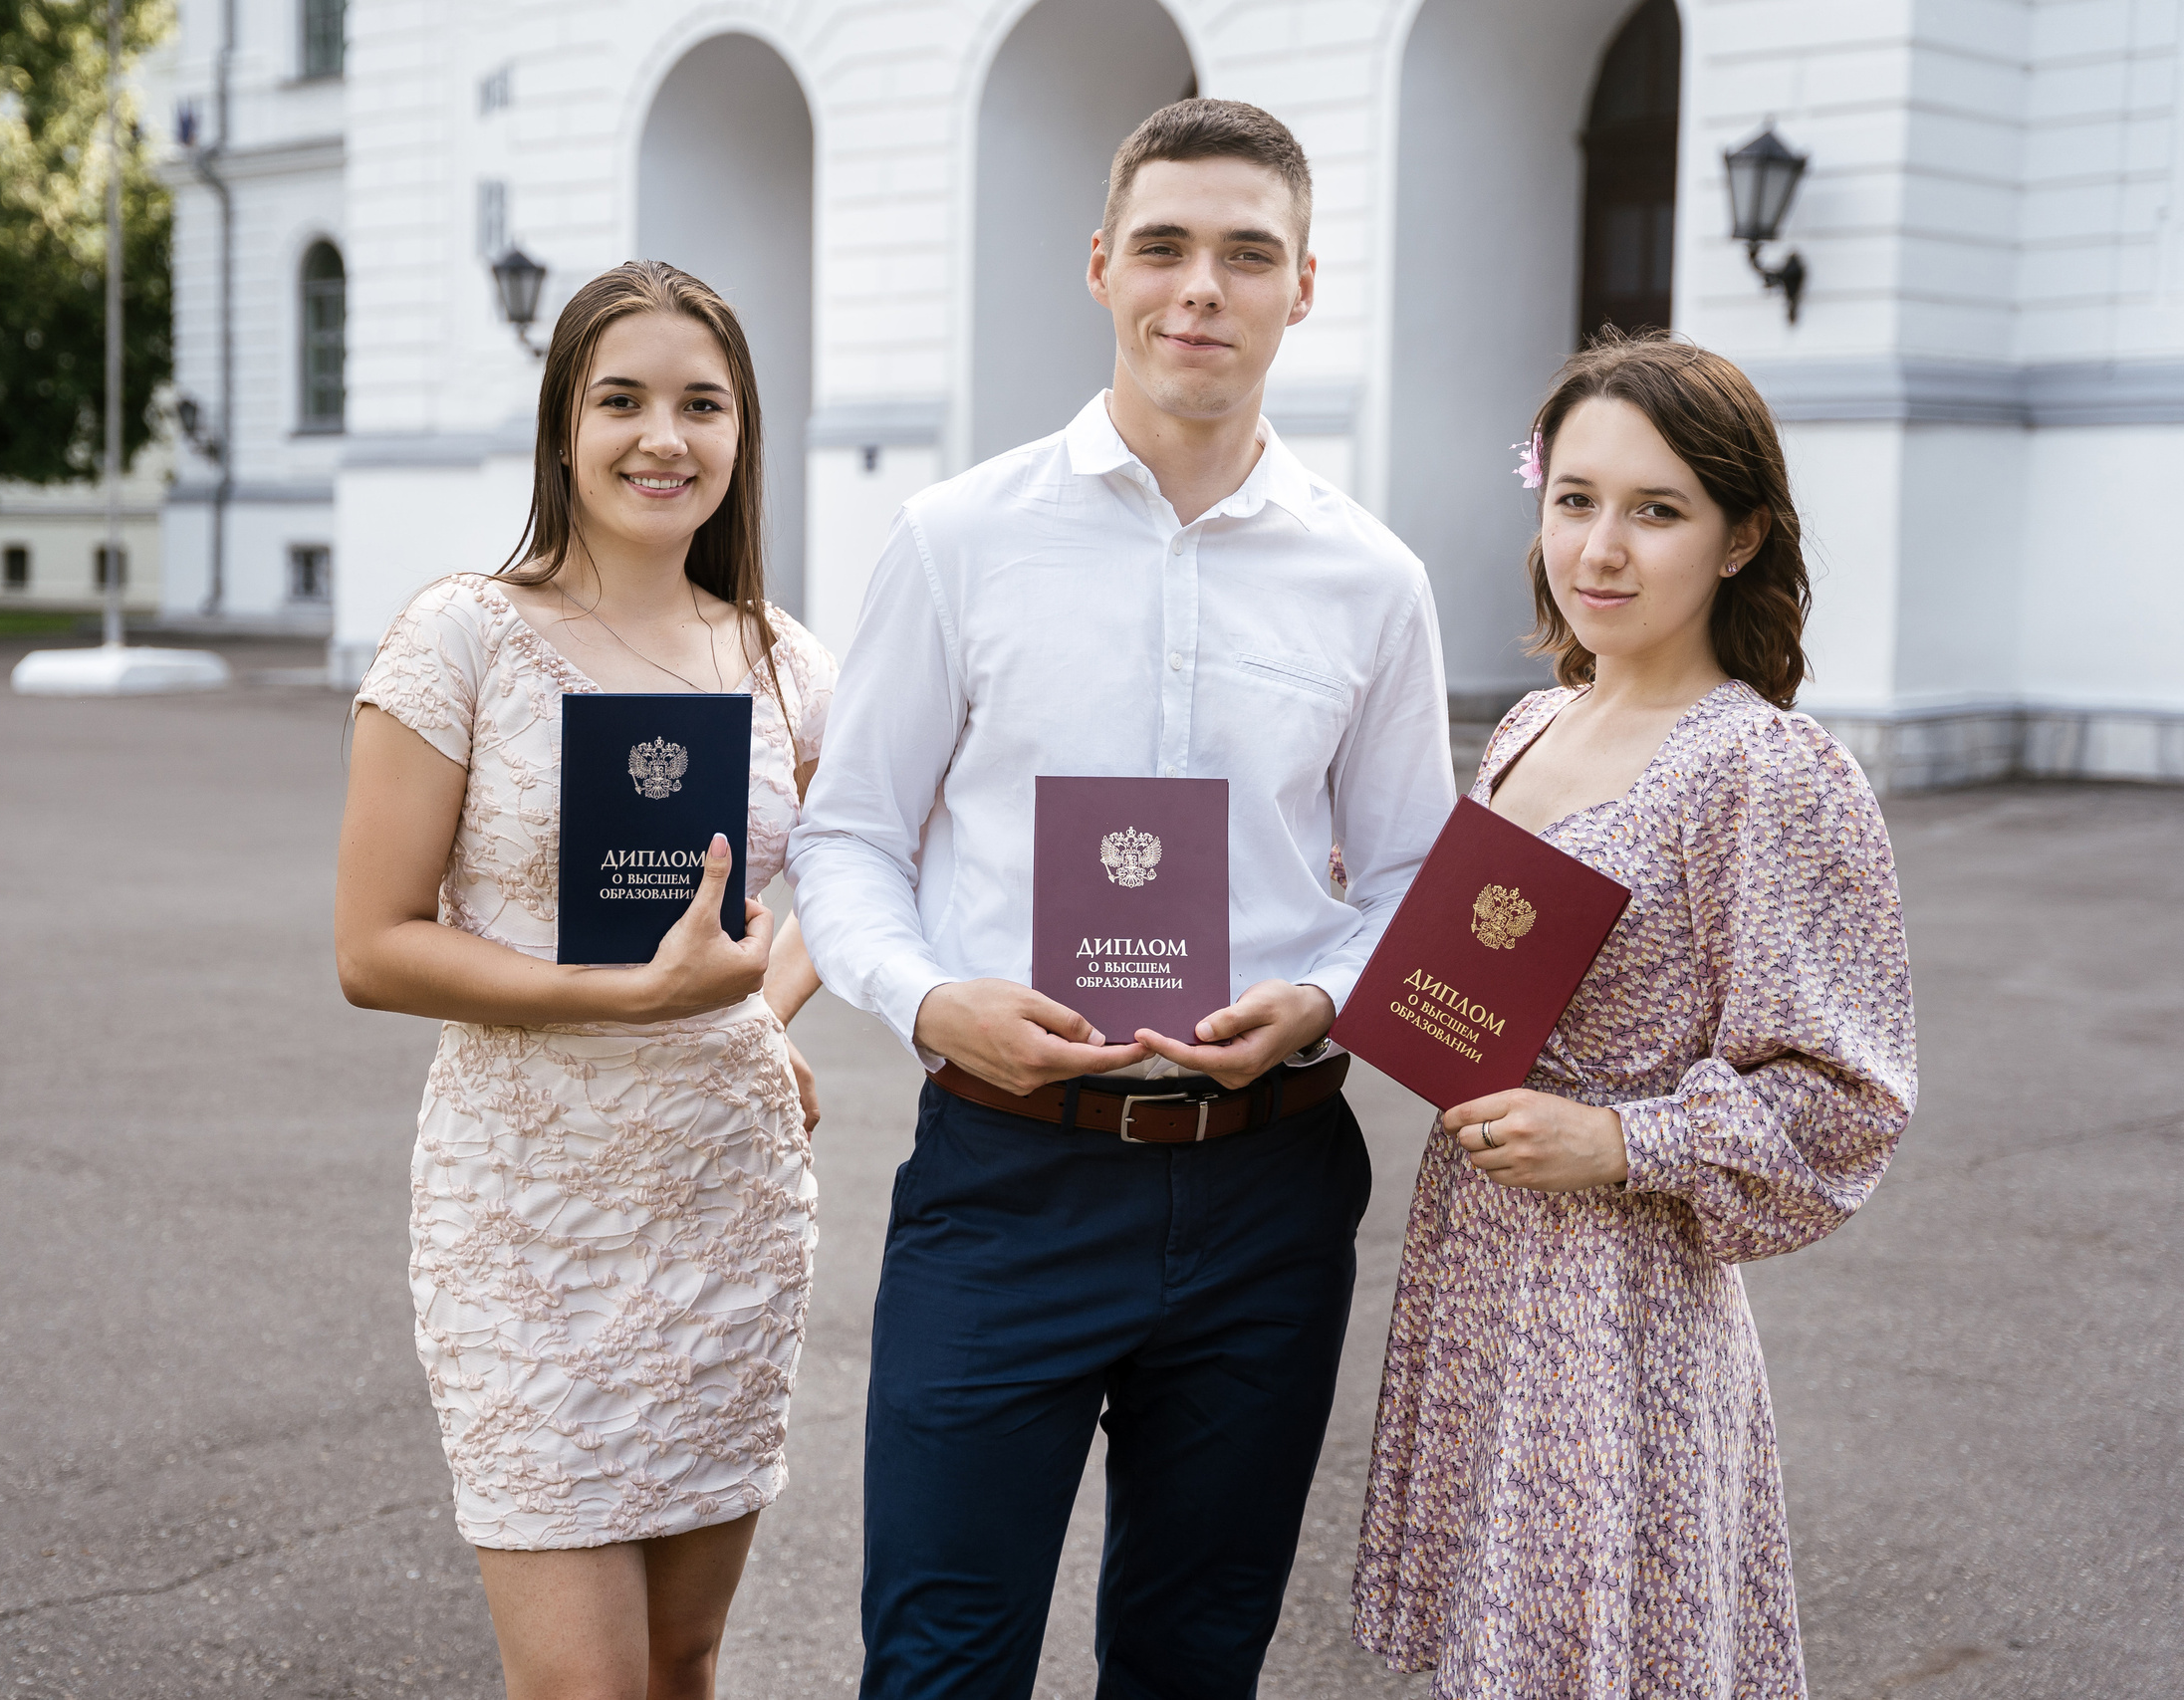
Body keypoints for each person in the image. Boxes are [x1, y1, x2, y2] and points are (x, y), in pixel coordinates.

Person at [789, 100, 1458, 1697]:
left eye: (1248, 254)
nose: (1199, 290)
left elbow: (1419, 874)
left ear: (1307, 287)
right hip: (1007, 1180)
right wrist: (931, 997)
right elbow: (850, 835)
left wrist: (1330, 997)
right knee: (941, 1661)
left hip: (1269, 1187)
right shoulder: (959, 541)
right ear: (1101, 265)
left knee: (1194, 1658)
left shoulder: (1374, 579)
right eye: (1163, 246)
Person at [1349, 332, 1917, 1697]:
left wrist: (1618, 1141)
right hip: (1479, 1259)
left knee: (1599, 1656)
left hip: (1622, 1303)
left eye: (1656, 511)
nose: (1600, 548)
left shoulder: (1767, 774)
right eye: (1576, 501)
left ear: (1739, 539)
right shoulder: (1531, 726)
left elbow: (1845, 1101)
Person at [332, 260, 838, 1700]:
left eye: (702, 404)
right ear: (564, 425)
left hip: (724, 1206)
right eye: (621, 400)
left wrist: (752, 1004)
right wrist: (637, 999)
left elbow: (866, 883)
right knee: (588, 1688)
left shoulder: (785, 664)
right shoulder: (461, 637)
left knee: (682, 1661)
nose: (661, 438)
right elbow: (373, 945)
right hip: (524, 1217)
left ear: (743, 437)